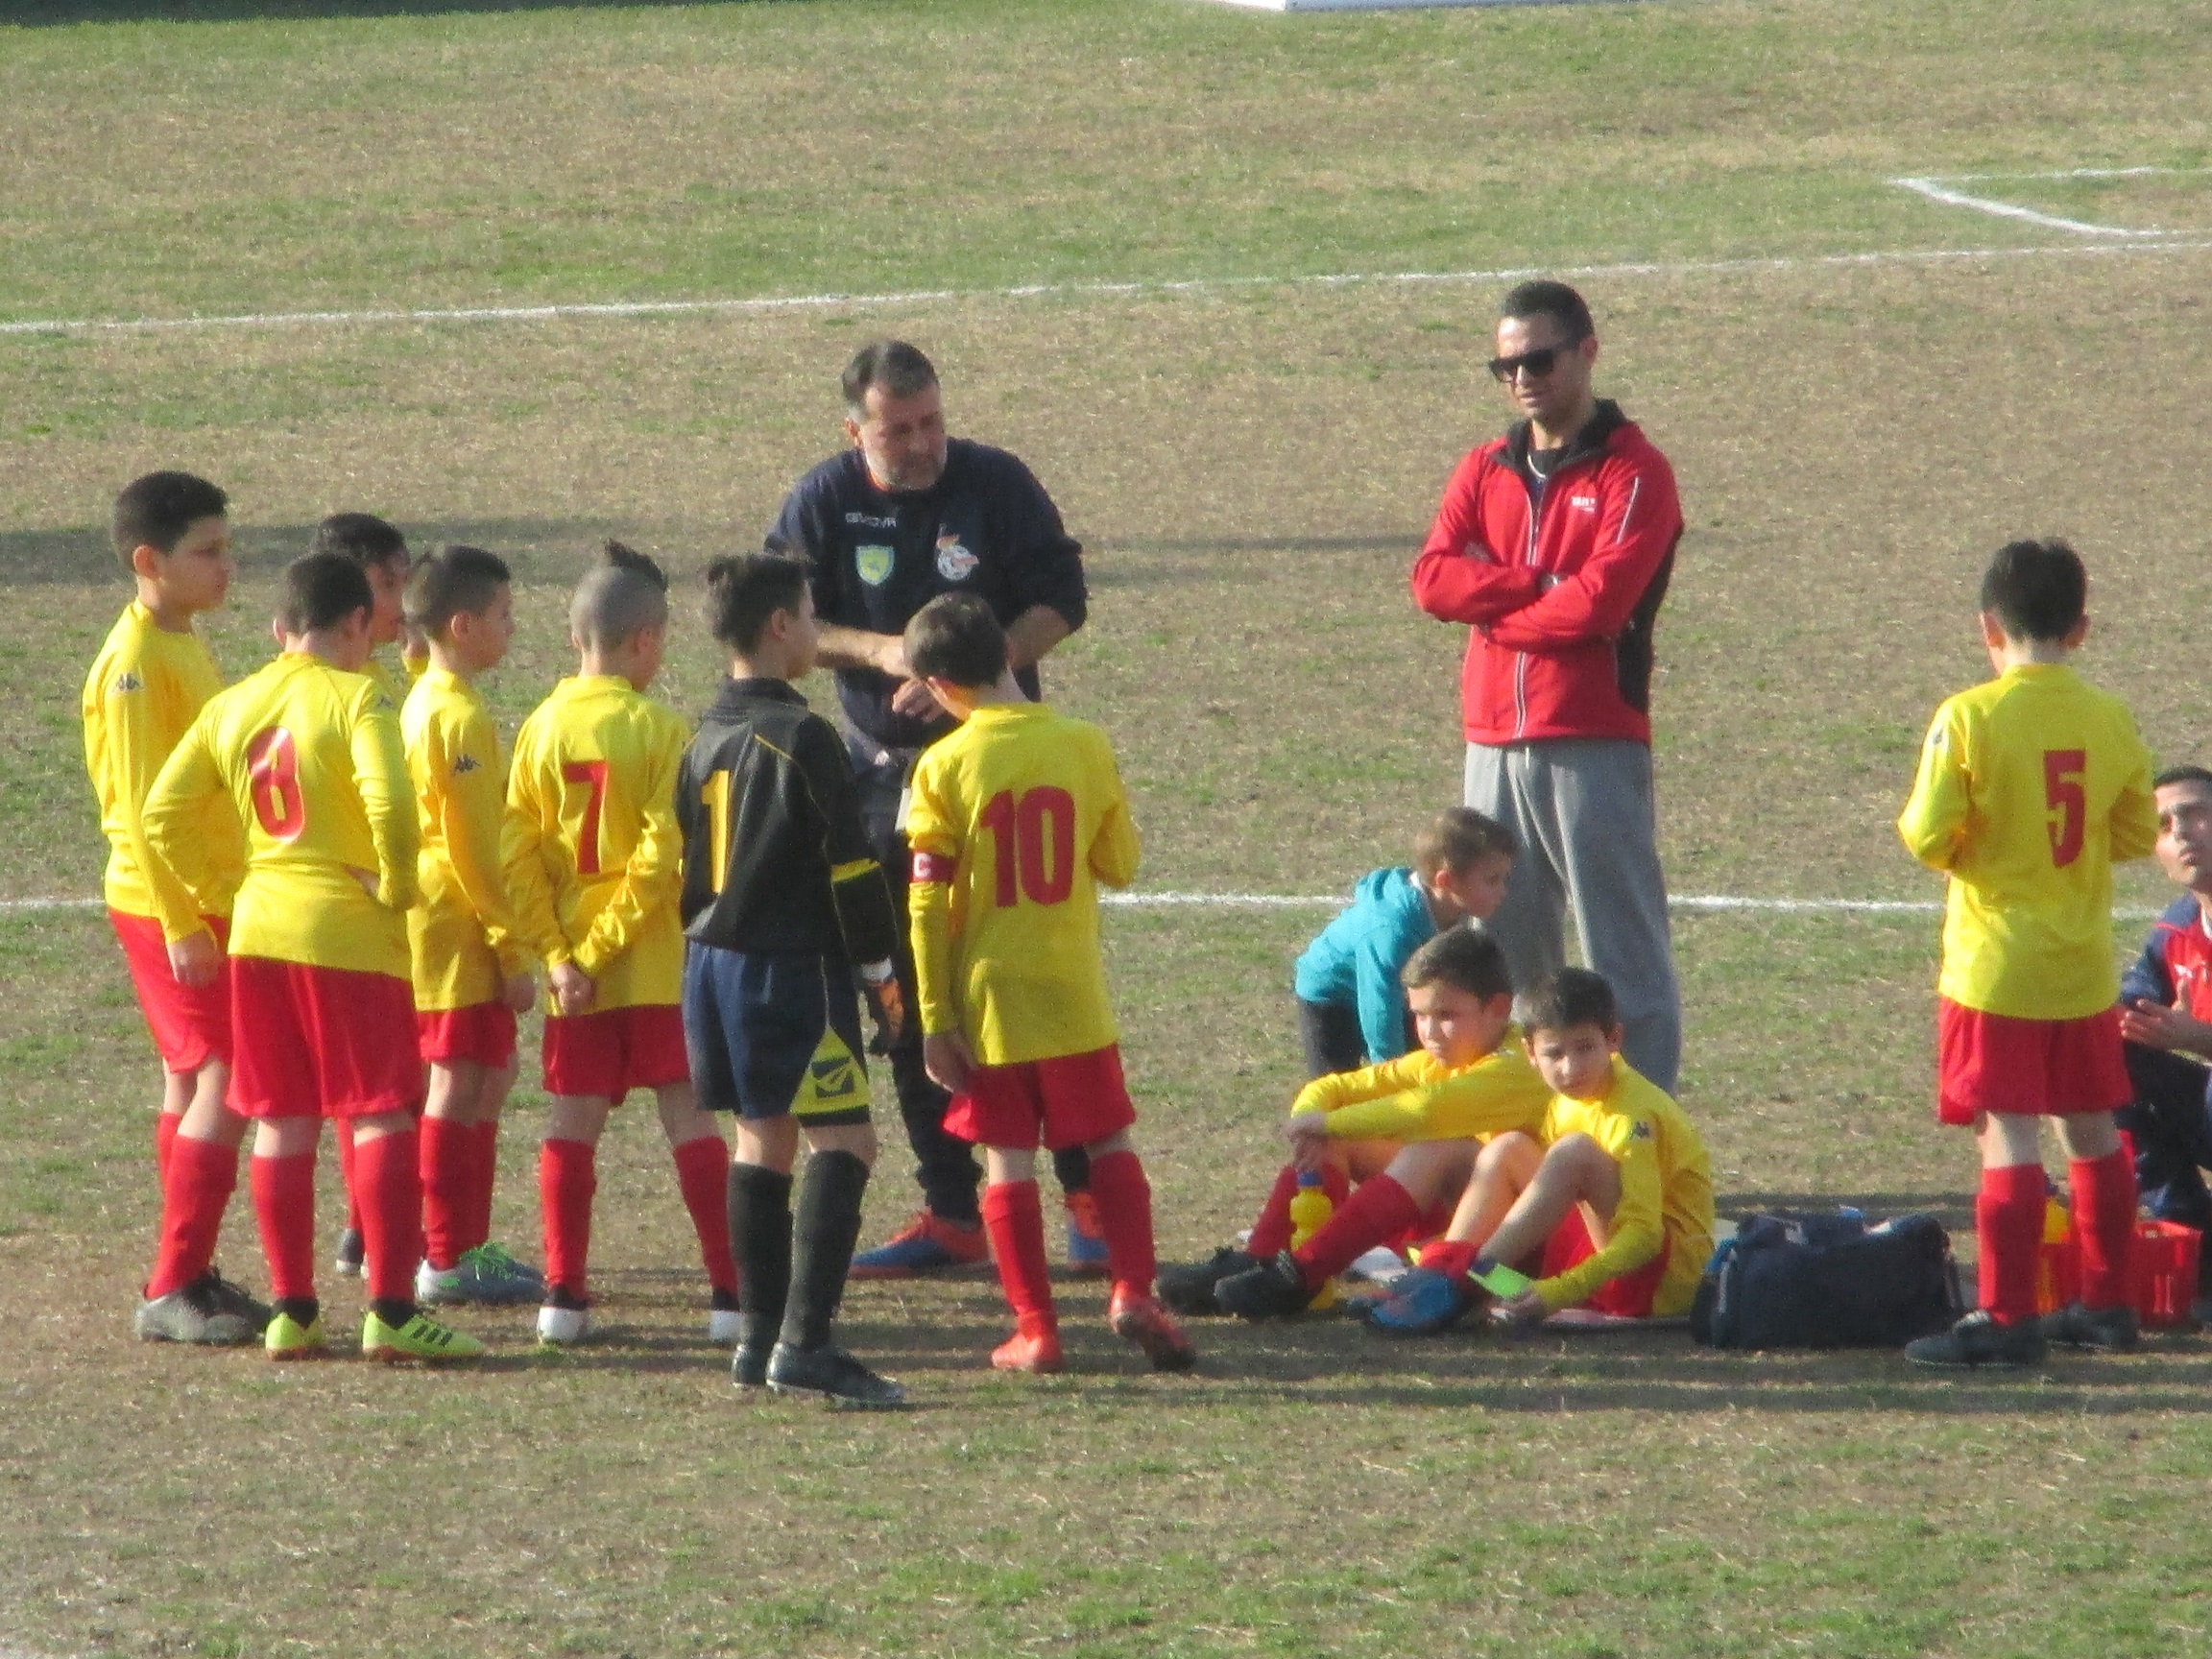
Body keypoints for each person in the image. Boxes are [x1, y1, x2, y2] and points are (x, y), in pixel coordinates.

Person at [765, 339, 1099, 1279]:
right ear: (855, 431)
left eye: (931, 423)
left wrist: (974, 668)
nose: (921, 445)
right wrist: (882, 652)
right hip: (881, 786)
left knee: (1024, 991)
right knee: (905, 1002)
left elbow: (1064, 598)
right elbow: (782, 621)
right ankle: (952, 1209)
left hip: (996, 775)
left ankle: (1087, 1202)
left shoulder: (996, 483)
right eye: (898, 430)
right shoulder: (822, 500)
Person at [141, 552, 482, 1362]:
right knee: (379, 1110)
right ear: (358, 622)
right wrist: (396, 885)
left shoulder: (234, 704)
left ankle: (293, 1311)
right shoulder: (359, 697)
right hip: (347, 936)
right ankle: (391, 1311)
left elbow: (161, 813)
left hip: (260, 933)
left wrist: (228, 888)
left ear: (281, 627)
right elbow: (390, 802)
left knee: (282, 1118)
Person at [902, 594, 1193, 1375]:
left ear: (938, 686)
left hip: (989, 999)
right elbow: (1119, 864)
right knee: (1108, 1140)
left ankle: (1036, 1329)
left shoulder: (941, 765)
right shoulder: (1083, 744)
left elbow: (924, 903)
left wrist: (934, 1015)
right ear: (1007, 655)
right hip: (1072, 991)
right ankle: (1134, 1290)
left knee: (1007, 1157)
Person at [1411, 278, 1685, 1093]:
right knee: (1503, 960)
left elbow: (1600, 604)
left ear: (1587, 352)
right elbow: (1432, 580)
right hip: (1492, 741)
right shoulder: (1483, 468)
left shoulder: (1636, 473)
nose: (1522, 379)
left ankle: (1644, 1126)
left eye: (1539, 360)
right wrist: (1538, 587)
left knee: (1622, 956)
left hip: (1591, 739)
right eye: (1506, 367)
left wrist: (1494, 610)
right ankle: (1521, 1122)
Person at [1896, 539, 2157, 1367]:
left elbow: (1928, 835)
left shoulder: (1970, 715)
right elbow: (2135, 832)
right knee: (2092, 1127)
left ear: (1988, 627)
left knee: (2006, 1129)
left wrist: (1981, 848)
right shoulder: (2108, 717)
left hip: (1996, 965)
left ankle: (2007, 1316)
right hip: (2081, 967)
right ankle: (2109, 1302)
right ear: (2080, 629)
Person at [674, 553, 908, 1407]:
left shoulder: (702, 736)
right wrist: (883, 981)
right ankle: (806, 1344)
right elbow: (852, 871)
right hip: (790, 972)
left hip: (711, 969)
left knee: (760, 1138)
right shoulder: (804, 738)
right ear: (780, 627)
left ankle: (758, 1340)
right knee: (846, 1142)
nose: (816, 631)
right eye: (810, 616)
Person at [502, 541, 738, 1346]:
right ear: (647, 640)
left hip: (574, 971)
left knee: (570, 1126)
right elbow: (661, 857)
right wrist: (603, 951)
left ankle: (563, 1298)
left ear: (576, 638)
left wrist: (560, 956)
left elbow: (518, 857)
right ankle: (729, 1295)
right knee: (691, 1118)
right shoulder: (662, 730)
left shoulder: (539, 729)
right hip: (655, 965)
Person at [89, 471, 261, 1344]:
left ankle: (187, 1268)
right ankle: (173, 1280)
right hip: (172, 907)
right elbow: (134, 808)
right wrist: (183, 924)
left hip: (200, 897)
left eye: (227, 547)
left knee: (191, 1078)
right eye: (208, 551)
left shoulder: (181, 639)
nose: (227, 565)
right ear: (150, 561)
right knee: (227, 1077)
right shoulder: (135, 667)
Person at [1201, 928, 1551, 1320]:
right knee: (1340, 1141)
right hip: (1479, 1226)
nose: (1429, 1032)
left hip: (1536, 1249)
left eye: (1446, 1015)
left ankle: (1302, 1272)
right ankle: (1263, 1263)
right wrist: (1313, 1121)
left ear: (1498, 1009)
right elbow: (1335, 1087)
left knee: (1437, 1147)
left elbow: (1423, 1111)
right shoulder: (1450, 1056)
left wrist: (1325, 1123)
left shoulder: (1517, 1064)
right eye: (1419, 1015)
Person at [1364, 967, 1714, 1335]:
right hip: (1604, 1249)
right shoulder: (1567, 1099)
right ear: (1530, 1053)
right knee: (1508, 1147)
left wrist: (1559, 1291)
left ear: (1613, 1040)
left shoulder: (1634, 1116)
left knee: (1573, 1152)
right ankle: (1440, 1273)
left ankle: (1464, 1283)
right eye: (1555, 1053)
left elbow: (1645, 1238)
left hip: (1663, 1280)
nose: (1571, 1067)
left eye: (1585, 1048)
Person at [398, 546, 544, 1307]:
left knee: (488, 1075)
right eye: (504, 615)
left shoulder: (423, 698)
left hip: (437, 919)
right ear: (462, 625)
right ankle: (447, 1254)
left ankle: (459, 1244)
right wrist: (511, 950)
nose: (513, 628)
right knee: (459, 1082)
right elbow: (474, 853)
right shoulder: (455, 715)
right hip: (458, 926)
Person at [311, 511, 421, 1279]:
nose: (402, 601)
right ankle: (374, 1239)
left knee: (376, 1085)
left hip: (356, 917)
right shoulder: (346, 691)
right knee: (376, 1088)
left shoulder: (374, 675)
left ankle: (364, 1229)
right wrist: (398, 886)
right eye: (388, 585)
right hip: (361, 912)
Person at [1292, 807, 1515, 1077]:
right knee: (1337, 1087)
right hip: (1331, 998)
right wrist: (1394, 1076)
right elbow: (1380, 1008)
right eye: (1492, 880)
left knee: (1427, 1060)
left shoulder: (1448, 905)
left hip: (1393, 989)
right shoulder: (1391, 931)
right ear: (1446, 881)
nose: (1503, 891)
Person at [2116, 765, 2212, 1244]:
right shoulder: (2177, 927)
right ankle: (2194, 1234)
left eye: (2195, 813)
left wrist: (2200, 1038)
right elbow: (2130, 1003)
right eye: (2164, 825)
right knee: (2102, 1055)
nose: (2181, 832)